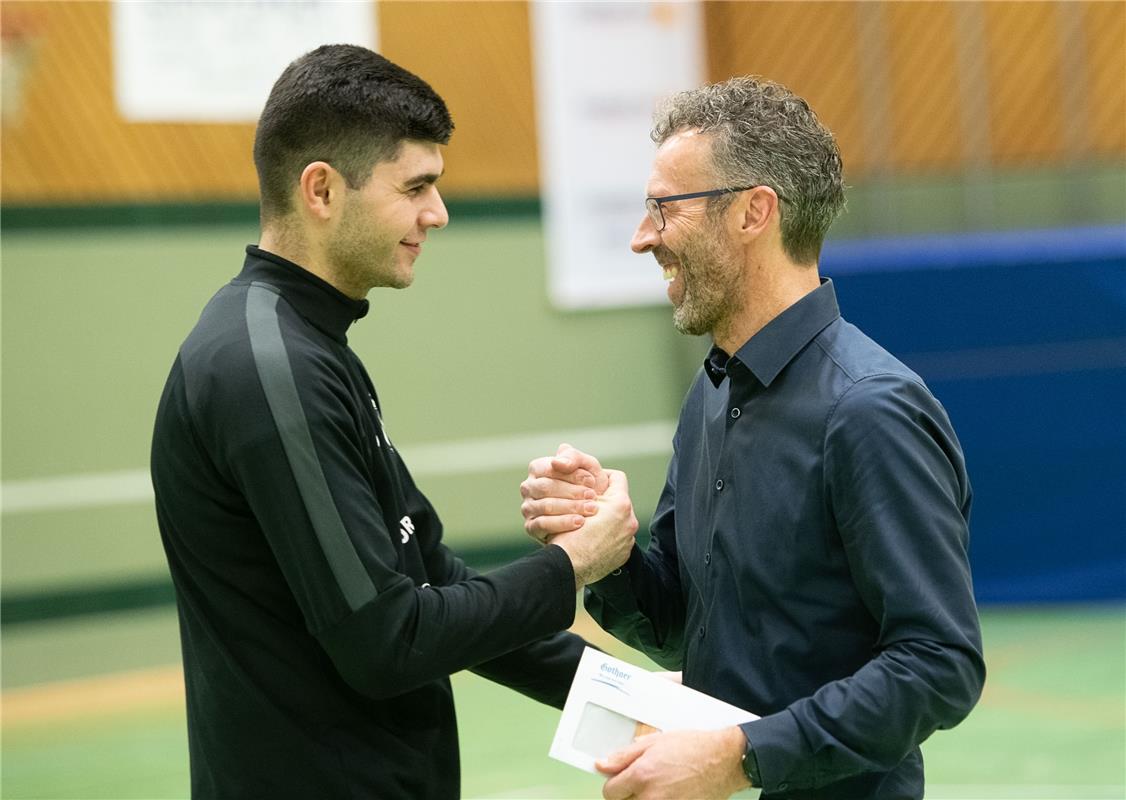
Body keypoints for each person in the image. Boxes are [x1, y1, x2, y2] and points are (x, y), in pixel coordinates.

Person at [150, 44, 638, 799]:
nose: (436, 215)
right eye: (416, 187)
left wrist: (646, 714)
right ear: (321, 190)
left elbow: (434, 581)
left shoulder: (310, 348)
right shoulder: (269, 367)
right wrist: (571, 563)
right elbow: (388, 640)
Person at [520, 77, 985, 800]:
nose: (644, 237)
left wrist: (742, 755)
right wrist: (602, 547)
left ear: (752, 213)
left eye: (663, 209)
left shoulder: (869, 410)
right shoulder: (712, 392)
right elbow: (682, 626)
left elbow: (939, 664)